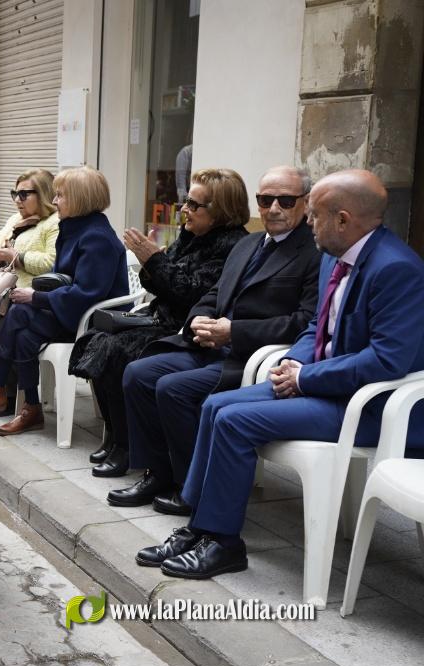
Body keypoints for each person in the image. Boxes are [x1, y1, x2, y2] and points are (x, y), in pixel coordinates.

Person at [136, 169, 424, 579]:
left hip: (370, 407)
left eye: (315, 214)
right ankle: (199, 526)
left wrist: (306, 378)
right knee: (216, 405)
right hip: (326, 387)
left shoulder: (396, 269)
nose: (308, 221)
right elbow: (316, 328)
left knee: (235, 420)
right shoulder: (334, 256)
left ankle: (223, 544)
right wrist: (295, 363)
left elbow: (386, 361)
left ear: (343, 219)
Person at [110, 166, 321, 507]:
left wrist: (232, 332)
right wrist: (199, 322)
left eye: (285, 200)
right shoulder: (249, 244)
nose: (274, 208)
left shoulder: (313, 254)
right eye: (266, 200)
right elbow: (214, 293)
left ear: (305, 203)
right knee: (137, 372)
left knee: (172, 388)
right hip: (211, 344)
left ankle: (191, 486)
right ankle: (157, 472)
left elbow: (303, 322)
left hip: (249, 357)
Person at [71, 168, 251, 478]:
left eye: (195, 205)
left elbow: (193, 293)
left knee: (117, 350)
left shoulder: (233, 245)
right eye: (186, 201)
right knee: (97, 336)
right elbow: (160, 283)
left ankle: (128, 447)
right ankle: (115, 435)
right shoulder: (191, 233)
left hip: (183, 326)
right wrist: (152, 262)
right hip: (161, 315)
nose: (185, 210)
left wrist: (155, 260)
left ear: (220, 211)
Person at [0, 166, 129, 436]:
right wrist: (39, 297)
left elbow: (88, 292)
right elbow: (63, 278)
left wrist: (37, 297)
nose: (55, 201)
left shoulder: (97, 238)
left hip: (92, 320)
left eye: (60, 195)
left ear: (80, 198)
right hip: (71, 310)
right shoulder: (74, 228)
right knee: (23, 331)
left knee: (18, 312)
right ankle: (29, 407)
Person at [0, 168, 59, 415]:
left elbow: (52, 262)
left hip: (28, 294)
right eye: (15, 193)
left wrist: (17, 256)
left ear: (43, 194)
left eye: (24, 194)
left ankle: (6, 394)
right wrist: (3, 245)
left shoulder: (54, 224)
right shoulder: (15, 219)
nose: (17, 200)